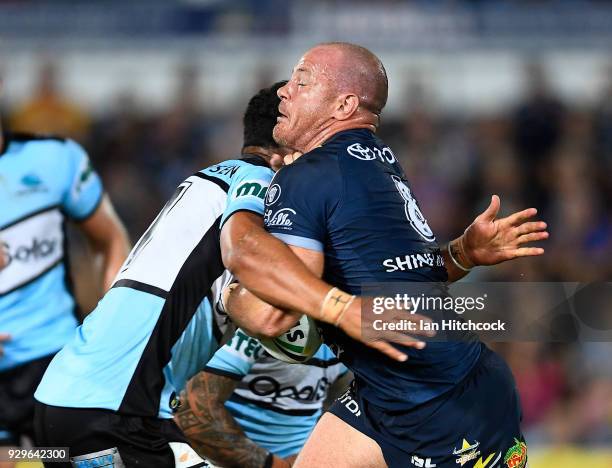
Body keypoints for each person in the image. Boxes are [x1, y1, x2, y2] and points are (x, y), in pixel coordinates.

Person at [34, 81, 419, 468]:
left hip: (87, 402)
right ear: (289, 143)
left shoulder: (213, 181)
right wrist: (339, 308)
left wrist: (459, 255)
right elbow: (253, 259)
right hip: (113, 411)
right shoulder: (260, 181)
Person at [223, 42, 548, 468]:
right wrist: (463, 253)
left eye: (302, 80)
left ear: (344, 105)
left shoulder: (307, 176)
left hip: (441, 411)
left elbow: (272, 317)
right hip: (396, 396)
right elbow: (402, 277)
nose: (284, 90)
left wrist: (229, 294)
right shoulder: (379, 160)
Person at [0, 120, 130, 467]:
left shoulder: (54, 159)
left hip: (54, 362)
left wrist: (111, 328)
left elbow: (110, 239)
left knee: (95, 460)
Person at [175, 328, 348, 468]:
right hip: (225, 458)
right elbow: (192, 415)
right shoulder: (265, 316)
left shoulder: (368, 317)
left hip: (302, 455)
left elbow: (348, 405)